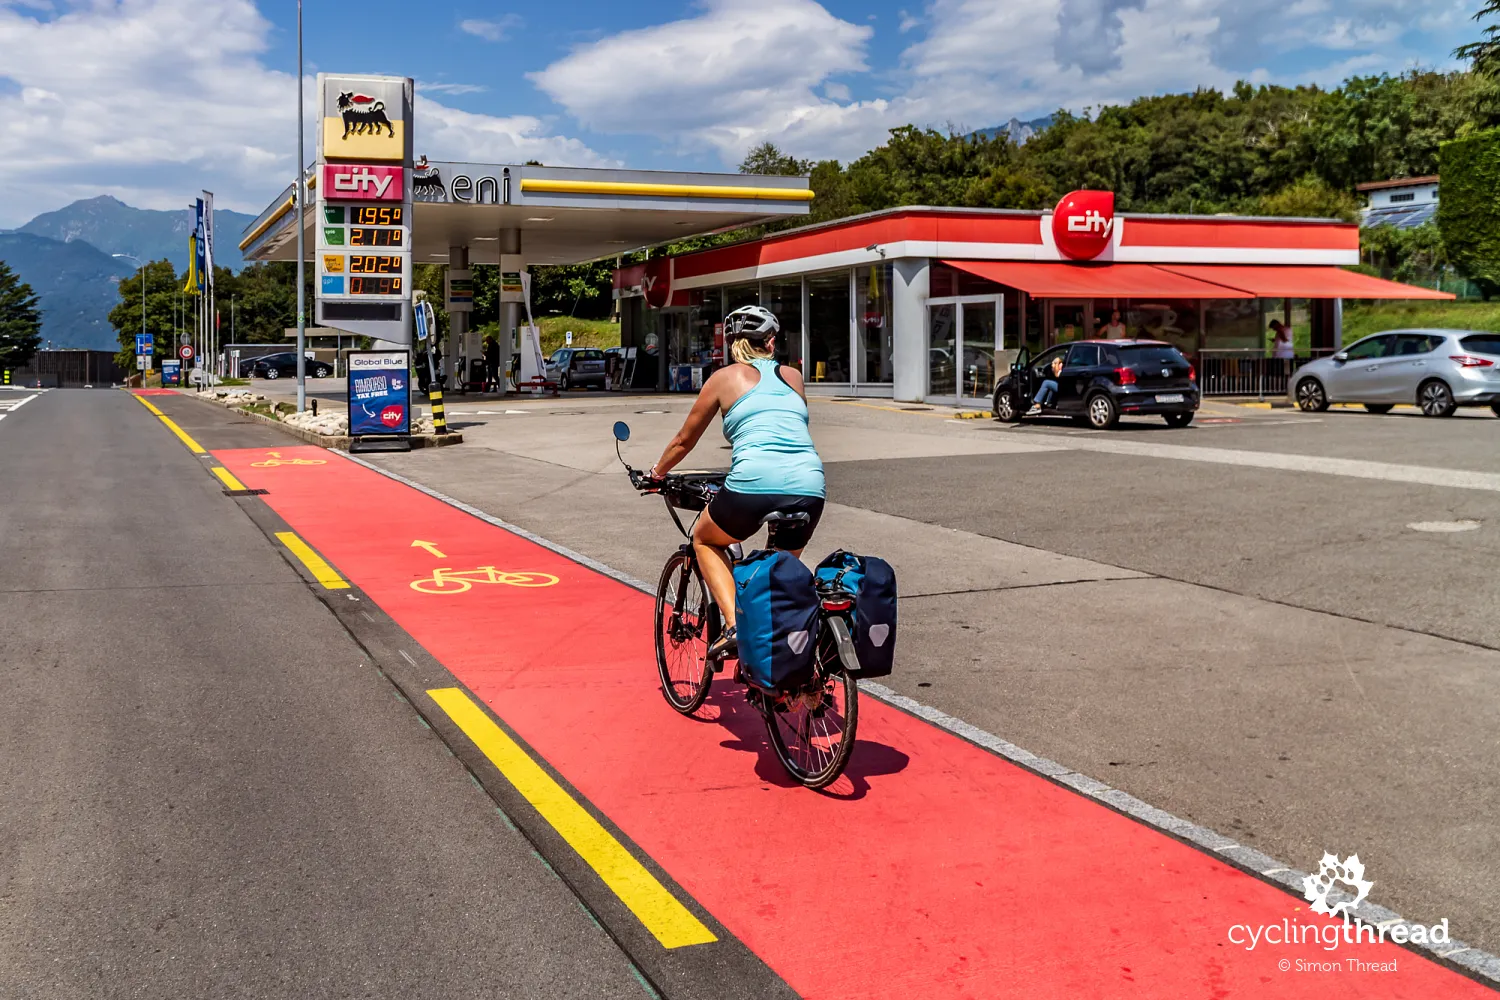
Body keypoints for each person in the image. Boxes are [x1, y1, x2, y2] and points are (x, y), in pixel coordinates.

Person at [647, 305, 824, 655]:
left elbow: (684, 441)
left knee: (704, 539)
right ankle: (790, 671)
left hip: (753, 485)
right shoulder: (794, 377)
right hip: (809, 486)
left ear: (733, 344)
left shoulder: (724, 379)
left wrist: (656, 474)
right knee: (780, 576)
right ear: (771, 343)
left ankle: (733, 626)